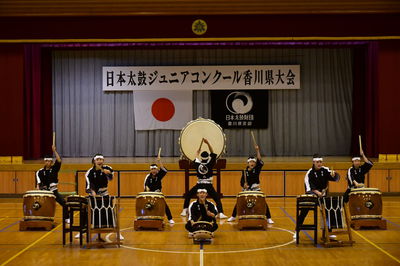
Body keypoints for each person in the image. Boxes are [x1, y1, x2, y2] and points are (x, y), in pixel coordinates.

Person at [76, 154, 124, 240]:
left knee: (110, 211)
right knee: (86, 212)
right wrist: (93, 192)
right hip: (93, 196)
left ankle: (117, 232)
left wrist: (108, 173)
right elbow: (89, 186)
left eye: (101, 159)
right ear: (94, 161)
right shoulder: (89, 172)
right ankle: (81, 232)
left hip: (104, 194)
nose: (100, 161)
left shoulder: (107, 168)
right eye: (97, 159)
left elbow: (111, 177)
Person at [295, 154, 340, 239]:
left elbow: (336, 177)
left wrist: (334, 175)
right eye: (317, 162)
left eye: (320, 162)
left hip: (323, 196)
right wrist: (318, 193)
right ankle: (297, 231)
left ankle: (328, 232)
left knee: (330, 209)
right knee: (304, 212)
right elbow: (309, 189)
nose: (319, 163)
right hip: (311, 196)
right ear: (313, 162)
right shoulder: (309, 173)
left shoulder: (325, 169)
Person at [180, 138, 227, 219]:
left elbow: (195, 158)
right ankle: (221, 213)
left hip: (199, 184)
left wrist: (197, 153)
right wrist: (208, 143)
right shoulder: (211, 163)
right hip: (208, 185)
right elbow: (213, 152)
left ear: (201, 158)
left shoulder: (198, 164)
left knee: (188, 195)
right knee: (216, 198)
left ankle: (185, 210)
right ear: (208, 157)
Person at [227, 144, 274, 224]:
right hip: (246, 189)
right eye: (250, 162)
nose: (252, 163)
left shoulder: (257, 169)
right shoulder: (244, 171)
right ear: (248, 163)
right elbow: (241, 181)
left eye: (253, 162)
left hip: (256, 189)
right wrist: (243, 185)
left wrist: (257, 150)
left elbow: (259, 160)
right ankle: (233, 216)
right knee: (240, 201)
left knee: (263, 201)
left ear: (255, 163)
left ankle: (269, 217)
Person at [36, 145, 68, 223]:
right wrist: (39, 189)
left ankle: (67, 218)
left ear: (51, 162)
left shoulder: (54, 169)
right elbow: (38, 184)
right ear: (44, 161)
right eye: (46, 161)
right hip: (45, 192)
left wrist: (54, 151)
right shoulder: (39, 172)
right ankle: (41, 217)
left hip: (54, 191)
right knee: (39, 205)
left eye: (49, 161)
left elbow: (59, 160)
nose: (48, 163)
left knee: (64, 203)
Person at [144, 155, 175, 224]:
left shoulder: (159, 175)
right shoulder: (148, 177)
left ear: (157, 170)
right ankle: (146, 218)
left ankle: (170, 219)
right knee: (147, 206)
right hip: (150, 195)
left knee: (165, 206)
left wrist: (159, 161)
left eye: (155, 169)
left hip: (158, 194)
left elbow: (164, 170)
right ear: (150, 170)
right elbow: (146, 187)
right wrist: (148, 194)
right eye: (152, 169)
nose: (153, 171)